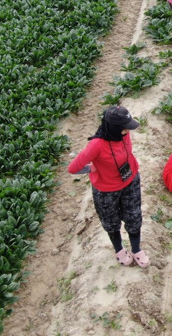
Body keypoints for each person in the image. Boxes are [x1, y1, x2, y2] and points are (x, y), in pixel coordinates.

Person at [68, 106, 150, 268]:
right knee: (111, 222)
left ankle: (136, 249)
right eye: (124, 127)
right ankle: (119, 249)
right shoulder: (96, 145)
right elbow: (73, 168)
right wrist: (92, 168)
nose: (128, 130)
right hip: (106, 190)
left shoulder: (123, 135)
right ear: (113, 128)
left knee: (134, 217)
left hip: (130, 181)